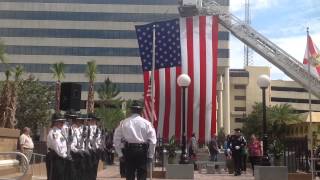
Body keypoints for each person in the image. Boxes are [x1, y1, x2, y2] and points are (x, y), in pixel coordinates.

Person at [114, 101, 157, 180]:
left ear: (131, 110)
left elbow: (116, 140)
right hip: (142, 151)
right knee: (142, 174)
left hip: (128, 150)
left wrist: (120, 154)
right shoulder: (147, 123)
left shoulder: (123, 123)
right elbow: (153, 141)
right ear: (141, 111)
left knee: (129, 174)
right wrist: (151, 155)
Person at [46, 113, 68, 180]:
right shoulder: (54, 133)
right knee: (55, 177)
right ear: (55, 122)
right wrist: (66, 156)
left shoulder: (60, 132)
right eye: (60, 121)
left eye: (63, 121)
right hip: (55, 158)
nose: (62, 123)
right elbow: (58, 148)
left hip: (60, 158)